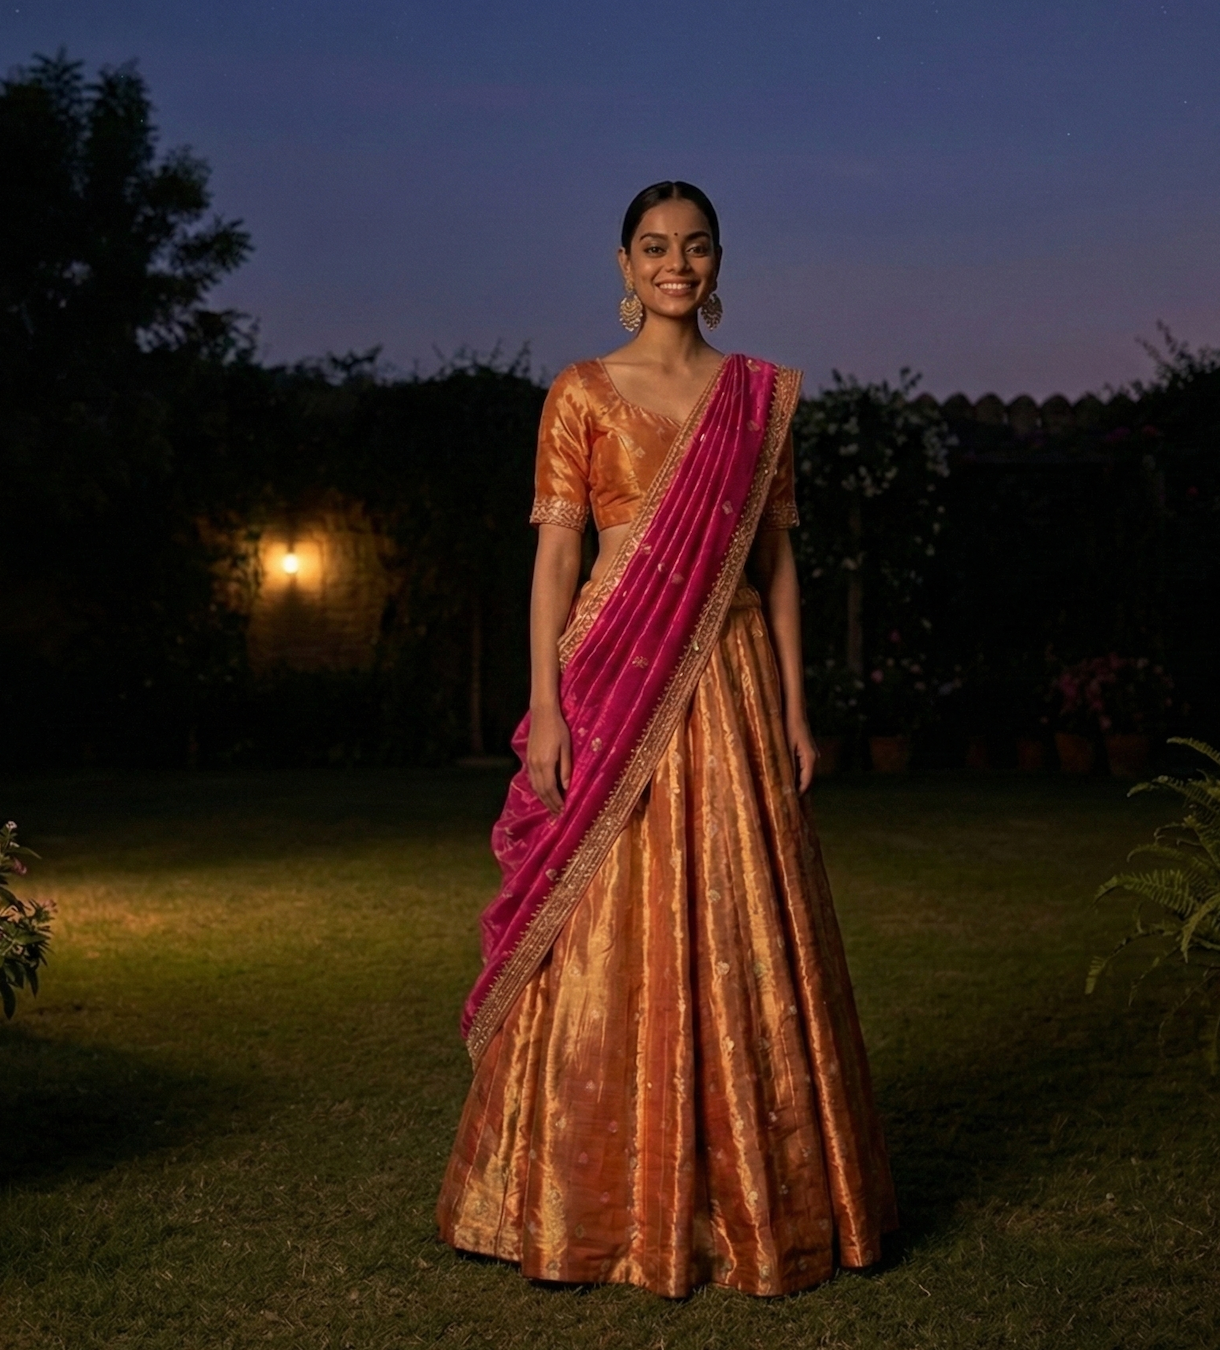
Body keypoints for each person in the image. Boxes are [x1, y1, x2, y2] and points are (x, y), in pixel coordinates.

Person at [436, 181, 897, 1297]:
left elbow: (780, 567)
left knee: (744, 916)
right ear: (624, 261)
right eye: (654, 247)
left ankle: (747, 1200)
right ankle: (581, 1200)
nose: (674, 264)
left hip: (732, 682)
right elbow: (553, 559)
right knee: (598, 925)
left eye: (693, 247)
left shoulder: (757, 399)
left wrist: (793, 707)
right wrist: (545, 703)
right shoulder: (581, 393)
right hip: (608, 679)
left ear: (717, 261)